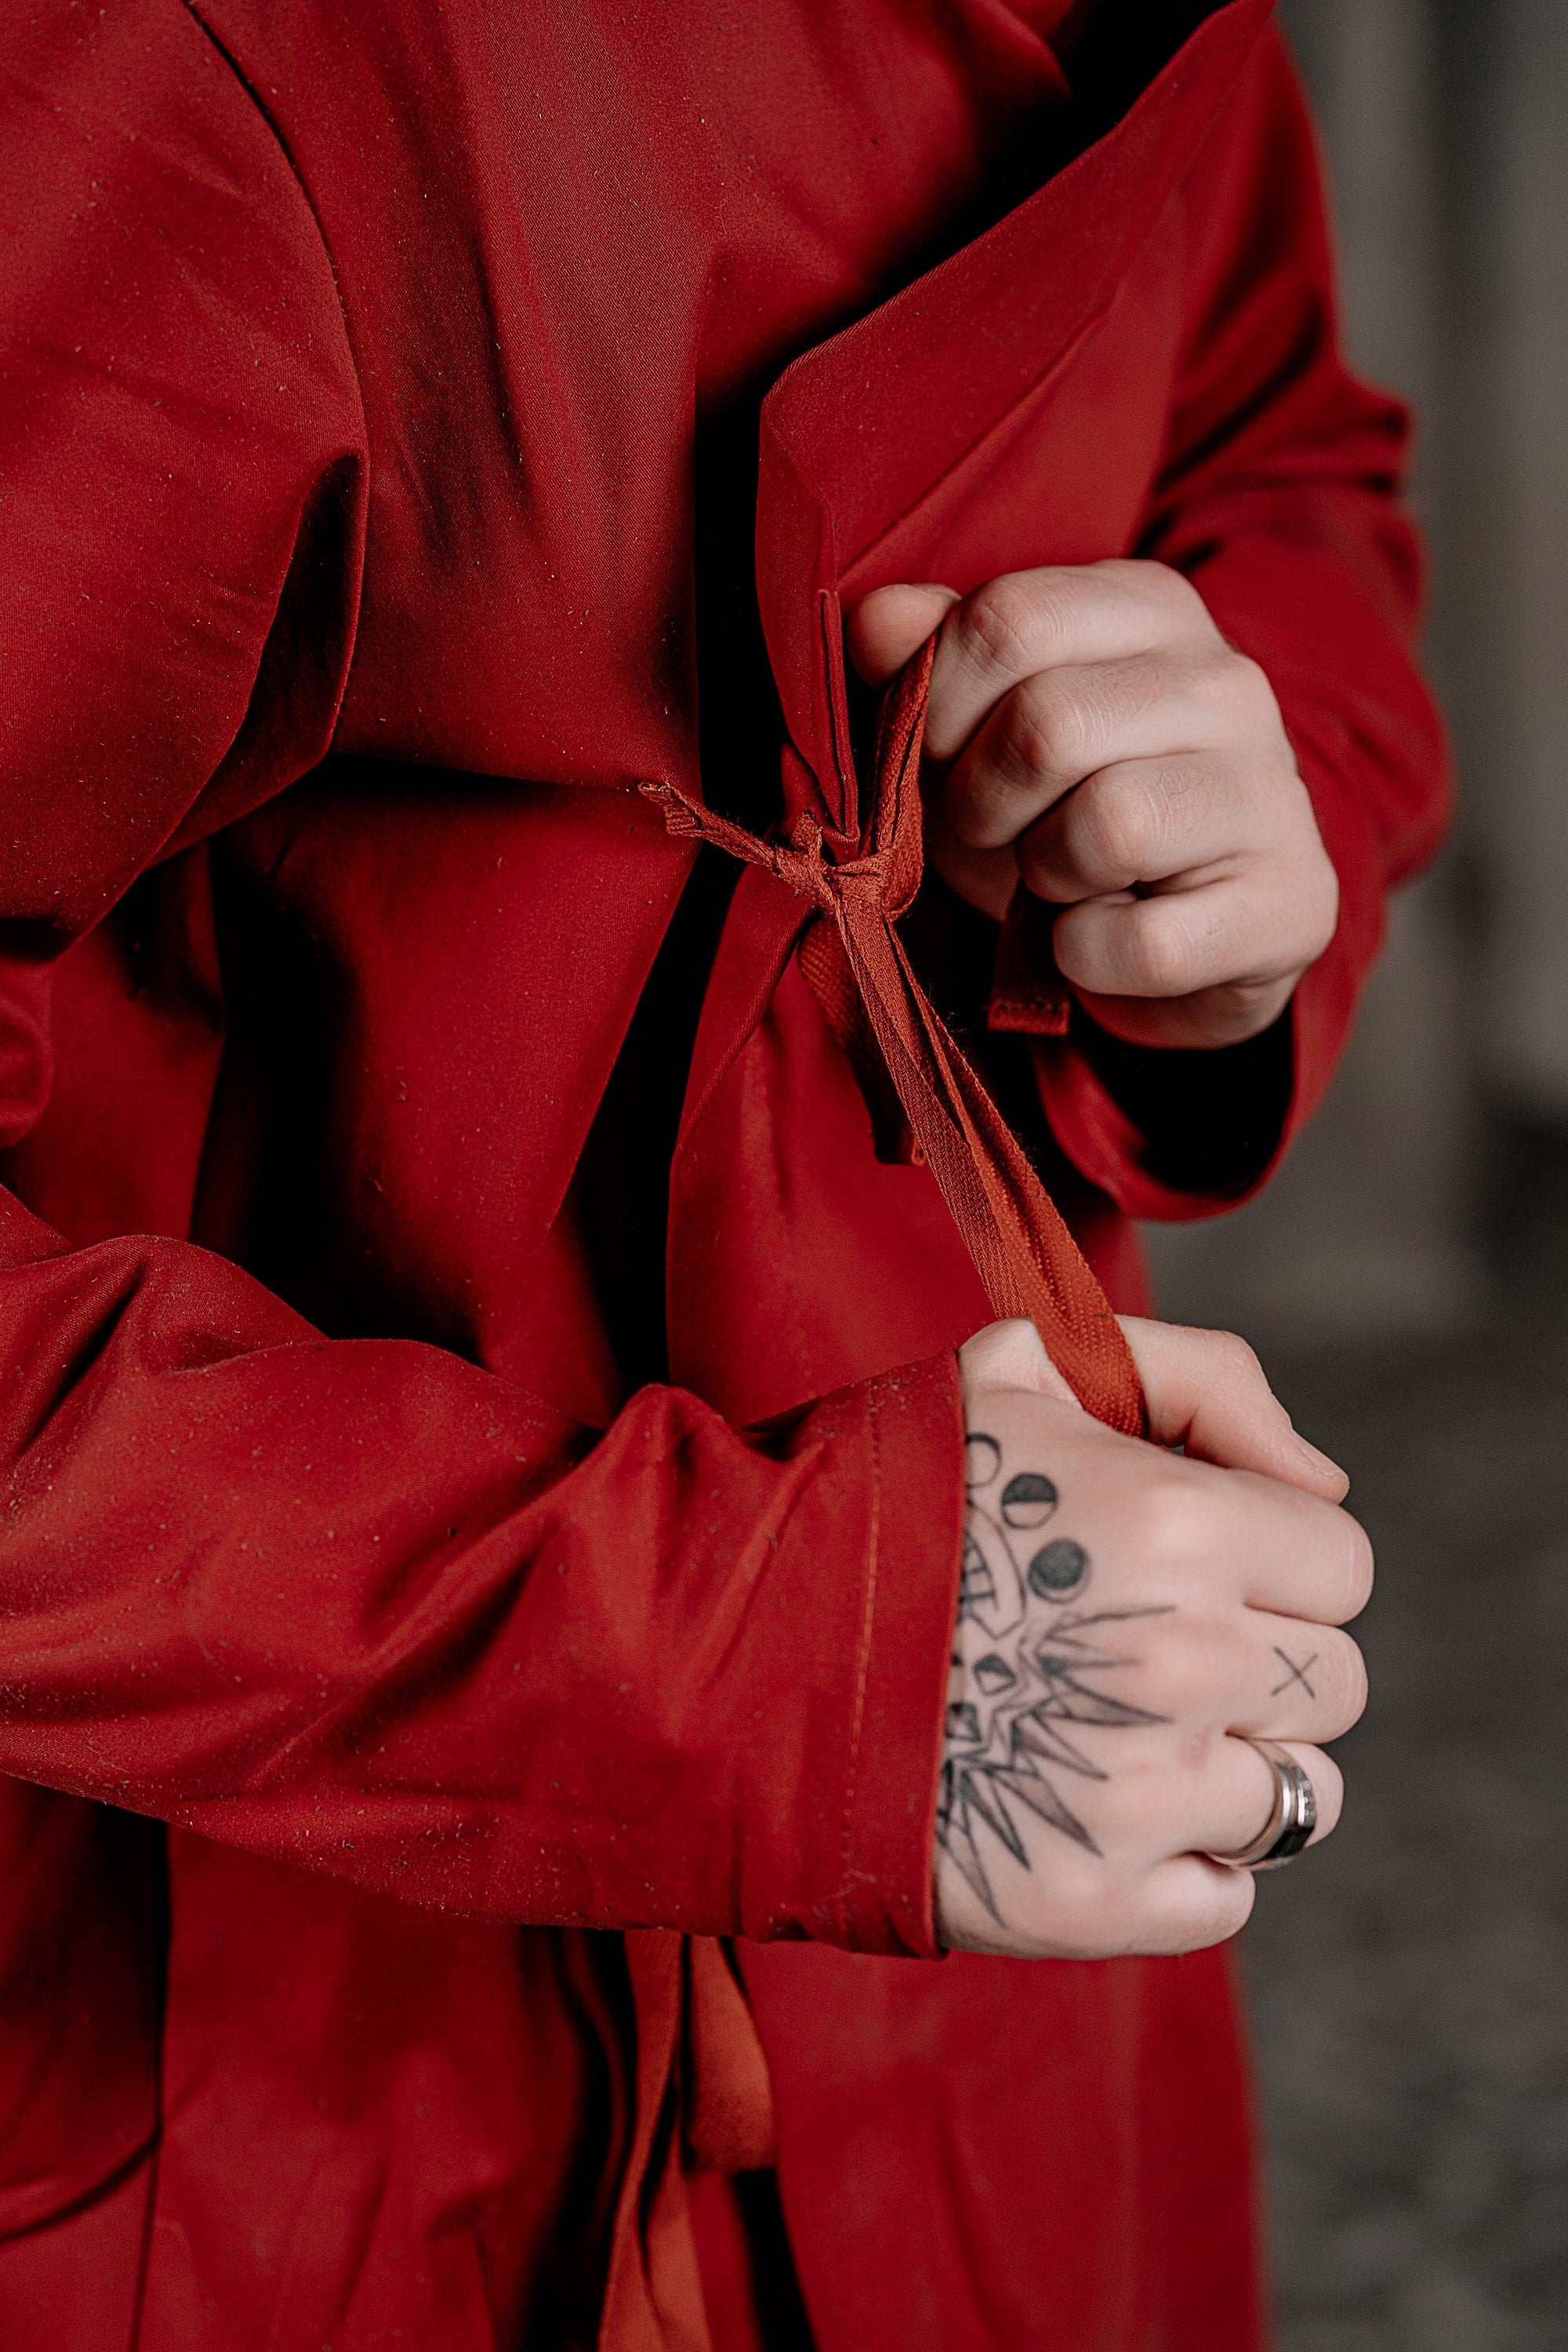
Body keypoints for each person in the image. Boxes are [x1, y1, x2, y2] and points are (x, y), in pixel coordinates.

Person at [0, 0, 1447, 2346]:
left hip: (1005, 1872)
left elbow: (1278, 438)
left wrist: (1256, 775)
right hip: (268, 1976)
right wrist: (786, 1671)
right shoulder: (170, 68)